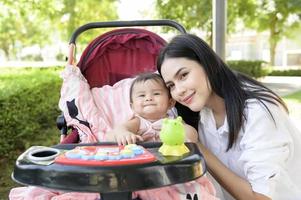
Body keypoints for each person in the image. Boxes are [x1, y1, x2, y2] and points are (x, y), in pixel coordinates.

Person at [156, 33, 301, 200]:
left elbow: (260, 198)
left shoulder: (258, 112)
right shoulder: (197, 110)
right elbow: (145, 102)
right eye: (171, 85)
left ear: (206, 63)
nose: (179, 90)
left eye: (183, 75)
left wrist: (197, 146)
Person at [106, 72, 198, 145]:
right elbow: (119, 130)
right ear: (132, 107)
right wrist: (124, 134)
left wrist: (182, 134)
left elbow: (192, 133)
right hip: (142, 162)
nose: (148, 98)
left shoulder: (173, 121)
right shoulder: (139, 122)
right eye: (142, 95)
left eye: (156, 94)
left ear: (170, 103)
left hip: (168, 161)